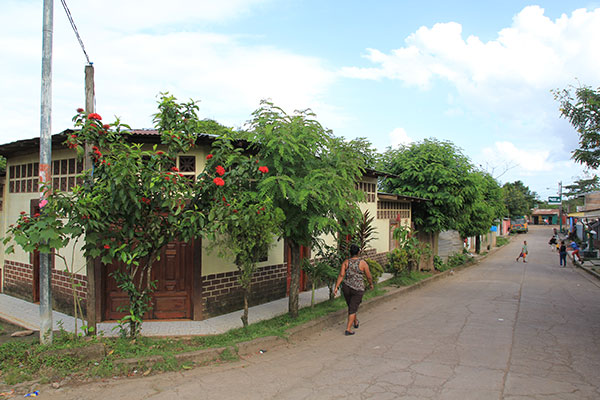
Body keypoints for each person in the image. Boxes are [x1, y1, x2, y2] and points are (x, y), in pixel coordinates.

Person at [333, 244, 374, 336]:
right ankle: (348, 329)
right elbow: (369, 276)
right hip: (358, 289)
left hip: (346, 287)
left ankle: (355, 322)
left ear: (350, 252)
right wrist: (371, 284)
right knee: (352, 308)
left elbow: (341, 275)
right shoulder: (363, 263)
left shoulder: (346, 262)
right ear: (358, 252)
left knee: (352, 306)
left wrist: (336, 286)